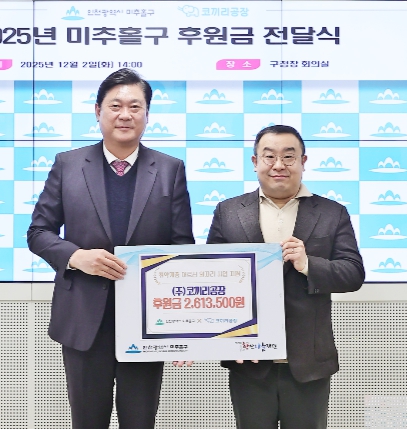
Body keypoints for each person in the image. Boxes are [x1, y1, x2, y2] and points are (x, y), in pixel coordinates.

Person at [27, 68, 194, 429]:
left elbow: (182, 248)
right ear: (98, 111)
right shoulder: (68, 165)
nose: (125, 114)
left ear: (147, 114)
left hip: (148, 322)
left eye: (135, 106)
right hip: (84, 319)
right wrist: (75, 257)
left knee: (140, 422)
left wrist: (182, 328)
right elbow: (38, 232)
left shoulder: (170, 169)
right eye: (115, 106)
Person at [206, 125, 365, 429]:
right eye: (269, 156)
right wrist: (216, 339)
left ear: (303, 161)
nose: (278, 165)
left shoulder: (332, 212)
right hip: (248, 360)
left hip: (308, 362)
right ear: (255, 162)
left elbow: (353, 273)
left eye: (288, 157)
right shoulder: (228, 212)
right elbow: (213, 280)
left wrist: (308, 264)